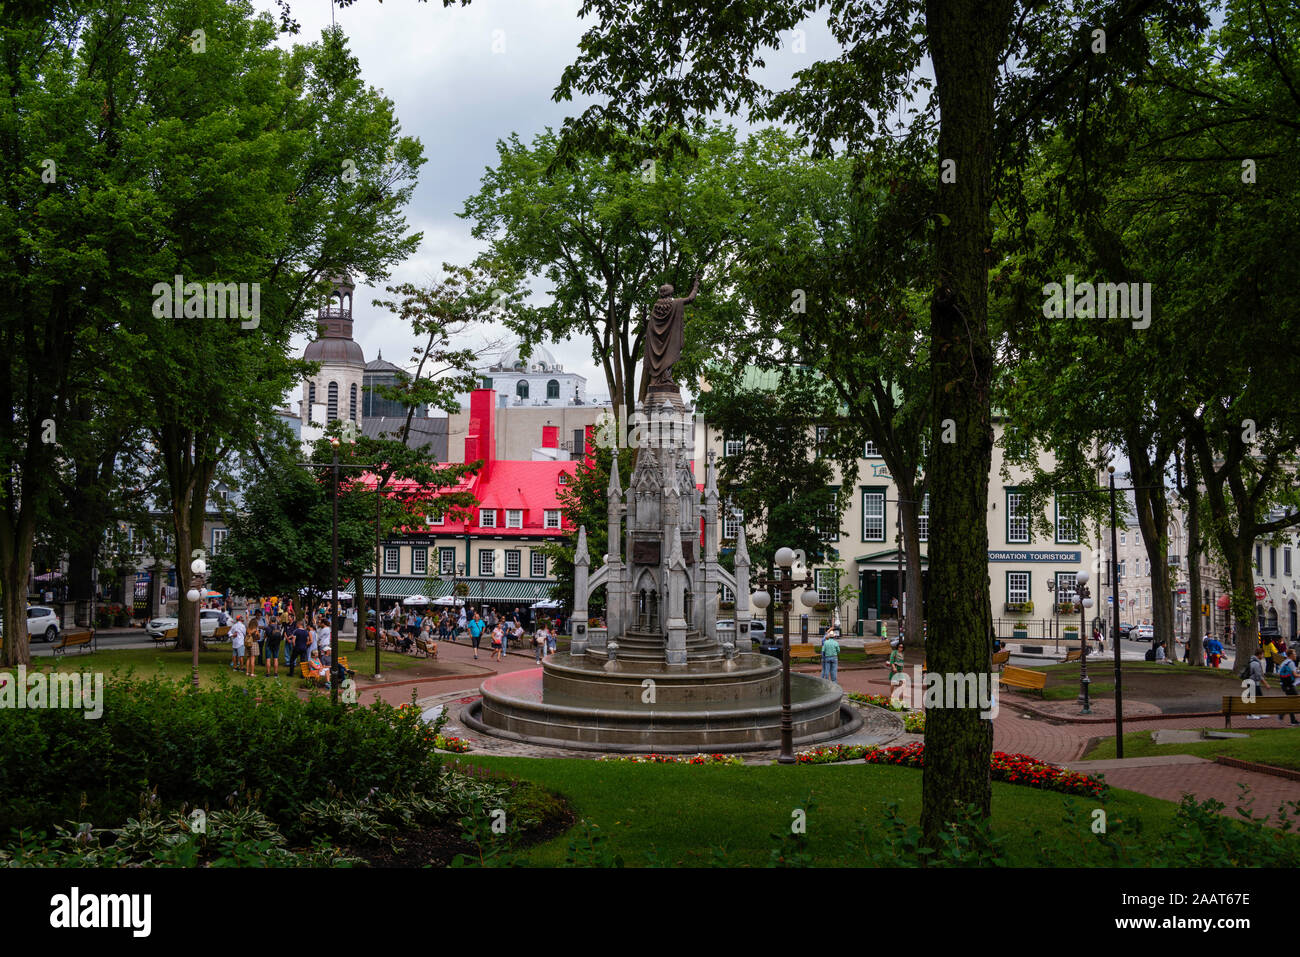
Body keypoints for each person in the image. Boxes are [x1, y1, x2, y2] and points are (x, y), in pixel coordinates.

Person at [1276, 649, 1299, 723]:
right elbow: (1295, 675)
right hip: (1289, 685)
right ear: (1291, 655)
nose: (1295, 655)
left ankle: (1291, 720)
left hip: (1284, 684)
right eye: (1294, 654)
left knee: (1291, 701)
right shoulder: (1291, 663)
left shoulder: (1285, 662)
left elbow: (1279, 673)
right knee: (1295, 700)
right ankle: (1281, 715)